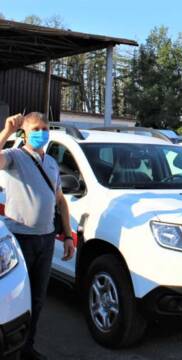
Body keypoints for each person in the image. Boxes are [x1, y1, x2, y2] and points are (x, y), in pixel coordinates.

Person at [0, 112, 75, 360]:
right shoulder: (15, 157)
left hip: (45, 239)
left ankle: (27, 348)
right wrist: (6, 131)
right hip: (20, 240)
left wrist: (67, 236)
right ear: (25, 133)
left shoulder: (52, 163)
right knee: (14, 300)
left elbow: (61, 201)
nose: (41, 132)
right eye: (35, 128)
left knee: (38, 299)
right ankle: (10, 348)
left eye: (44, 128)